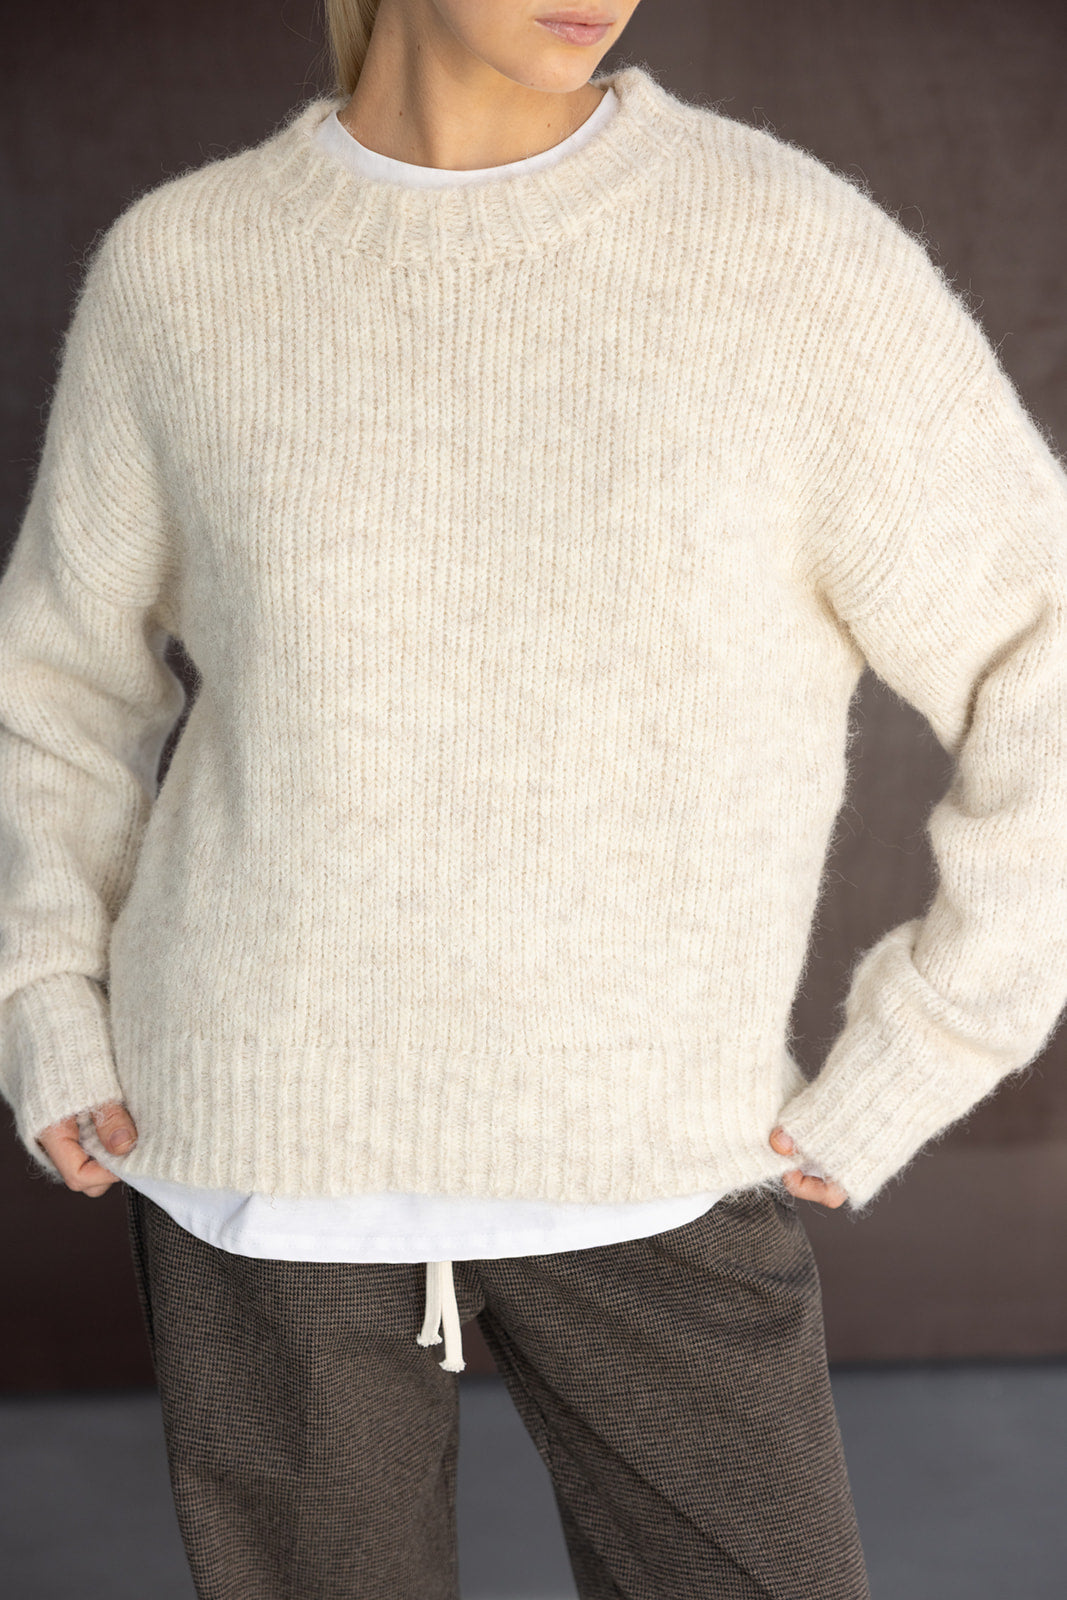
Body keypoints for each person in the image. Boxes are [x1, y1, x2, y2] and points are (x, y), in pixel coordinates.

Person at [3, 0, 1066, 1596]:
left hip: (652, 1141)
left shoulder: (784, 256)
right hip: (249, 1146)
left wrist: (934, 1041)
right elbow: (55, 686)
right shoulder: (188, 267)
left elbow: (1043, 647)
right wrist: (43, 987)